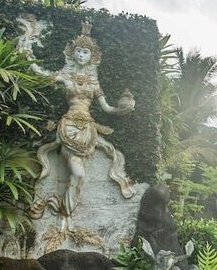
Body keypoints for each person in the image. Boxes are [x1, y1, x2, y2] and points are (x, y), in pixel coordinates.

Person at [30, 23, 137, 217]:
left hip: (87, 129)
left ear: (92, 57)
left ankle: (65, 210)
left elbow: (106, 108)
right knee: (78, 173)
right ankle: (65, 209)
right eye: (78, 51)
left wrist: (122, 109)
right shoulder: (65, 75)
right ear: (72, 53)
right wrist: (27, 56)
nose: (81, 55)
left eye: (85, 52)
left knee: (78, 174)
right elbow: (42, 75)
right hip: (68, 125)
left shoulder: (94, 82)